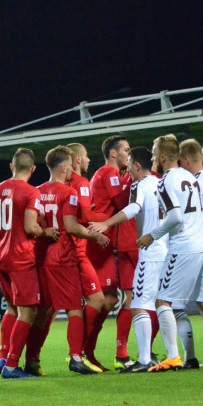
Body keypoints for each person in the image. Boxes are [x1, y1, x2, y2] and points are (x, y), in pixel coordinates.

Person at [139, 134, 203, 372]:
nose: (152, 156)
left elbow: (175, 216)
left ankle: (173, 356)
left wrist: (153, 235)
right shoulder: (190, 178)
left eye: (153, 152)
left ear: (162, 157)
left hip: (184, 246)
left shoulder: (165, 181)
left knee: (163, 301)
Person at [24, 146, 110, 376]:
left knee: (43, 313)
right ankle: (75, 357)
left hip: (41, 257)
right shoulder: (68, 192)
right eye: (71, 166)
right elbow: (71, 227)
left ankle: (31, 360)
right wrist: (96, 234)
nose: (73, 169)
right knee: (74, 309)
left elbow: (30, 226)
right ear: (64, 167)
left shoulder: (36, 191)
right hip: (62, 258)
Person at [88, 146, 168, 372]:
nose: (126, 153)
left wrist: (105, 223)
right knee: (154, 300)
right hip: (143, 244)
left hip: (136, 243)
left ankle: (131, 354)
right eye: (123, 149)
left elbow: (131, 205)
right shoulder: (159, 181)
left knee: (136, 300)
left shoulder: (132, 181)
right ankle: (150, 353)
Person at [0, 148, 59, 379]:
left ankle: (3, 355)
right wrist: (45, 231)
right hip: (20, 257)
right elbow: (30, 227)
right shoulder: (31, 192)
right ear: (33, 169)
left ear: (11, 166)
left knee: (12, 308)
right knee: (28, 312)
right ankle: (11, 365)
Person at [83, 135, 133, 371]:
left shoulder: (112, 175)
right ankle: (82, 349)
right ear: (113, 153)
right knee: (102, 298)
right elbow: (123, 202)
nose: (128, 154)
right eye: (126, 150)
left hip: (104, 241)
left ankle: (86, 349)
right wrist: (136, 177)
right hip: (97, 240)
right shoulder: (108, 173)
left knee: (111, 298)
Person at [66, 142, 109, 372]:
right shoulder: (81, 183)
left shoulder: (49, 187)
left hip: (56, 250)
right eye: (84, 156)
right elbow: (85, 215)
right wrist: (110, 216)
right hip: (75, 250)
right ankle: (77, 352)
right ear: (74, 160)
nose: (88, 160)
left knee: (42, 311)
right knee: (97, 299)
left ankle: (25, 360)